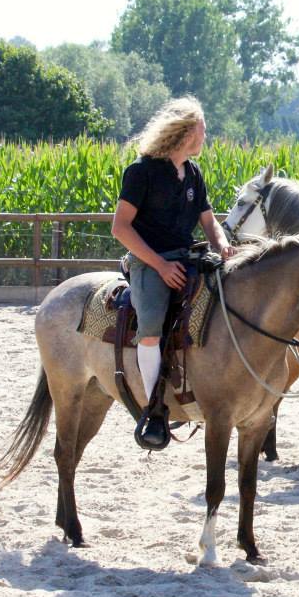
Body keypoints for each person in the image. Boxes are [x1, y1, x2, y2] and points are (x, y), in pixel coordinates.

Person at [111, 95, 235, 449]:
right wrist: (160, 265)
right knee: (150, 327)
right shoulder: (142, 172)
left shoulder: (193, 173)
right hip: (151, 260)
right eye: (202, 130)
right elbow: (120, 228)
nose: (205, 136)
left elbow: (210, 224)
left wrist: (222, 245)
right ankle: (154, 407)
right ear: (183, 133)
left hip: (188, 256)